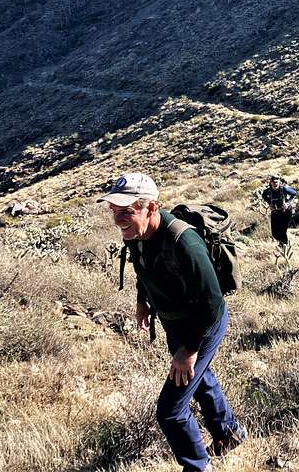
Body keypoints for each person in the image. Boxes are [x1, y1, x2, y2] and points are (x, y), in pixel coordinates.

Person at [101, 172, 246, 470]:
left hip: (203, 324)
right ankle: (230, 434)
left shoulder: (184, 242)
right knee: (201, 379)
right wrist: (143, 302)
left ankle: (197, 466)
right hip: (175, 323)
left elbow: (212, 303)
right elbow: (143, 268)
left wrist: (189, 349)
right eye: (115, 211)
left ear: (151, 208)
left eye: (127, 211)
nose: (119, 220)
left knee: (170, 410)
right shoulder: (137, 234)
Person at [261, 176, 297, 247]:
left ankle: (285, 246)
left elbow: (294, 193)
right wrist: (269, 203)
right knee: (274, 233)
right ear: (270, 183)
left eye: (276, 182)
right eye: (273, 182)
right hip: (275, 211)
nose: (275, 184)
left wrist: (288, 203)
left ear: (279, 182)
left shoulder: (284, 189)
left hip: (286, 211)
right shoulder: (268, 191)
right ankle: (282, 244)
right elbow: (263, 195)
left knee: (282, 230)